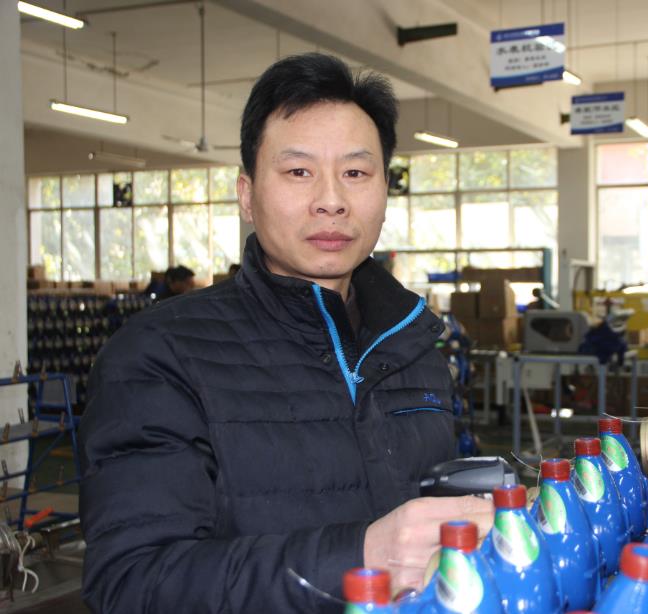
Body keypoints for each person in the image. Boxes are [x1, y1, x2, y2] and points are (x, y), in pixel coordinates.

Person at [78, 53, 493, 613]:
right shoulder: (158, 356)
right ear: (247, 195)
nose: (331, 200)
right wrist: (360, 558)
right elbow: (133, 583)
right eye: (299, 172)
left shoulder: (412, 344)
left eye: (355, 173)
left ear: (384, 191)